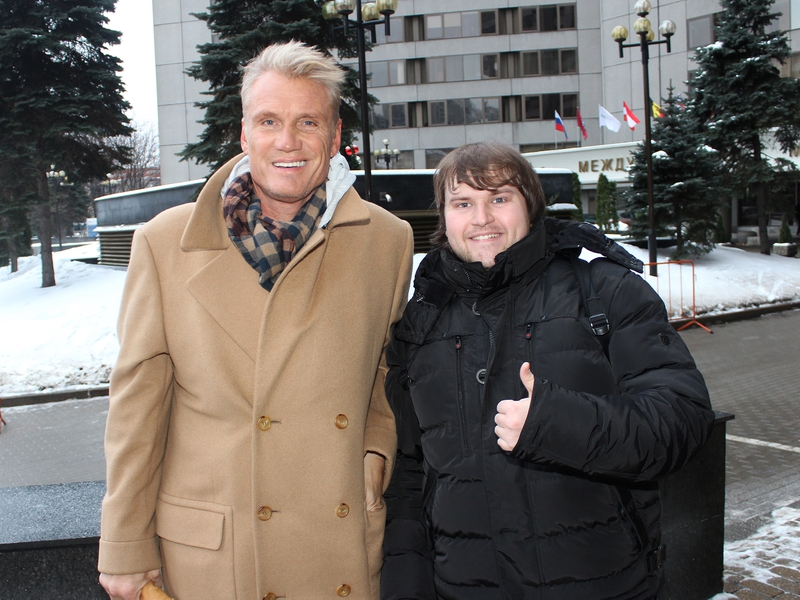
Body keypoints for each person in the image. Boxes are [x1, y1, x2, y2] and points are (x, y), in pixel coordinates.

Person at [98, 41, 414, 600]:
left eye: (307, 122)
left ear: (335, 136)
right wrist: (124, 544)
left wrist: (373, 457)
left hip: (332, 535)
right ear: (244, 134)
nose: (287, 142)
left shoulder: (386, 241)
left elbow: (386, 376)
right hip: (220, 551)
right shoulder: (167, 243)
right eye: (269, 121)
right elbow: (136, 408)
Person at [381, 142, 715, 599]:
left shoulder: (604, 292)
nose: (481, 218)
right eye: (463, 203)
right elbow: (408, 474)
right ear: (444, 217)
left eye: (499, 198)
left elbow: (682, 419)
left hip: (601, 585)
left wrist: (555, 423)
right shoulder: (419, 323)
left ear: (530, 206)